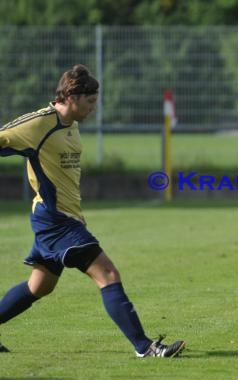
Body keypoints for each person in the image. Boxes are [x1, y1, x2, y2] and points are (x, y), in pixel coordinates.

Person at [0, 64, 185, 358]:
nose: (93, 108)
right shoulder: (38, 124)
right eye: (90, 102)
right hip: (54, 221)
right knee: (108, 273)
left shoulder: (71, 125)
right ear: (72, 96)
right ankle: (145, 347)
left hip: (65, 218)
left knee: (39, 287)